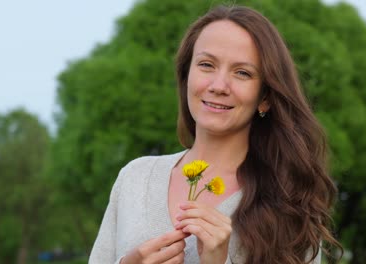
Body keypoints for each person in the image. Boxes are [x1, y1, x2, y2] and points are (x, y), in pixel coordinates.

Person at [89, 4, 341, 264]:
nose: (219, 86)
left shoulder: (289, 202)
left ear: (264, 97)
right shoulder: (135, 179)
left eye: (242, 73)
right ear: (187, 76)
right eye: (207, 65)